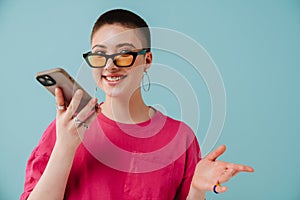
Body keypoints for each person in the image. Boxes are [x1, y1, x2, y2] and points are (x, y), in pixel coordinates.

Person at [21, 9, 254, 200]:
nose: (110, 66)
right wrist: (65, 148)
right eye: (99, 54)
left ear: (147, 60)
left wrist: (196, 189)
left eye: (124, 54)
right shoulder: (66, 130)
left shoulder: (180, 138)